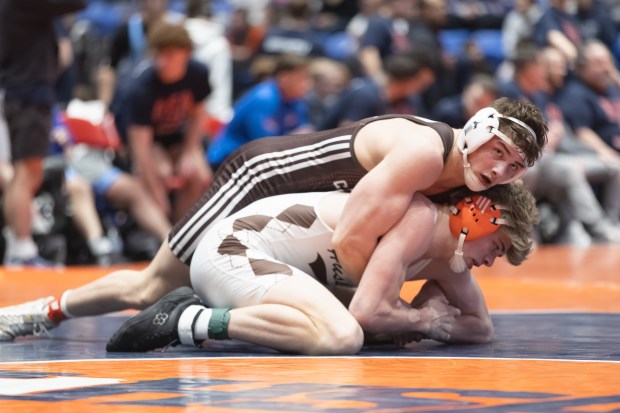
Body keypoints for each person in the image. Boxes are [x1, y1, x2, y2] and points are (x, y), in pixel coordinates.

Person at [0, 97, 548, 341]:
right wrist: (380, 312)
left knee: (335, 312)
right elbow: (356, 233)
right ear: (479, 129)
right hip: (266, 178)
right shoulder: (427, 153)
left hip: (300, 215)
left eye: (514, 166)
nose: (500, 170)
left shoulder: (470, 187)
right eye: (499, 152)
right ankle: (40, 312)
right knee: (149, 287)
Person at [107, 181, 539, 354]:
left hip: (262, 264)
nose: (492, 261)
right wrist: (427, 318)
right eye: (498, 247)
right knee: (344, 336)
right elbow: (367, 313)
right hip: (236, 249)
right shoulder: (419, 219)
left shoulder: (451, 258)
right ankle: (190, 319)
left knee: (374, 330)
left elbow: (481, 327)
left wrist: (428, 323)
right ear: (478, 218)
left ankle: (199, 313)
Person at [0, 0, 87, 267]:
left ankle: (20, 246)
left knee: (25, 173)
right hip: (26, 94)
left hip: (22, 91)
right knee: (27, 172)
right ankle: (22, 249)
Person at [123, 21, 213, 222]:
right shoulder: (141, 87)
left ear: (186, 54)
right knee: (161, 173)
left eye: (169, 55)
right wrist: (157, 193)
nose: (162, 62)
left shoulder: (198, 74)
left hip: (177, 137)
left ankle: (182, 229)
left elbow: (198, 115)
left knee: (198, 174)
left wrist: (191, 150)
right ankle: (163, 235)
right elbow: (141, 147)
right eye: (158, 54)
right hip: (148, 141)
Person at [207, 54, 313, 170]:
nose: (307, 85)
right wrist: (293, 138)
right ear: (284, 77)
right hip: (228, 162)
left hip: (256, 163)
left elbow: (306, 134)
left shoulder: (296, 101)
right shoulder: (264, 98)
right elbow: (264, 144)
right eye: (302, 78)